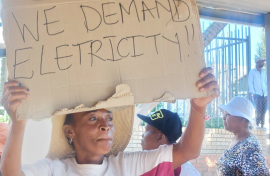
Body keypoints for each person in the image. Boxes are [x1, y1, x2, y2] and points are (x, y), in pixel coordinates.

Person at [0, 67, 219, 176]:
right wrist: (18, 122)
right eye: (92, 118)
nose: (105, 125)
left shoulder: (126, 166)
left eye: (109, 118)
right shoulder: (55, 170)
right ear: (70, 131)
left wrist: (198, 106)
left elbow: (188, 151)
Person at [216, 96, 269, 176]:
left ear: (242, 119)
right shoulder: (238, 140)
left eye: (228, 114)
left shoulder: (250, 146)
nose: (223, 117)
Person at [138, 109, 201, 176]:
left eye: (146, 131)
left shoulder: (185, 171)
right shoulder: (148, 162)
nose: (142, 135)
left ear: (160, 137)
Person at [248, 57, 268, 130]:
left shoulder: (263, 71)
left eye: (263, 62)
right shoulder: (252, 72)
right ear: (257, 62)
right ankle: (257, 124)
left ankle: (262, 125)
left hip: (264, 94)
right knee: (258, 109)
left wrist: (267, 92)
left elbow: (265, 82)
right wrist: (253, 93)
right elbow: (250, 82)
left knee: (264, 110)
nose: (263, 63)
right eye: (262, 62)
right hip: (257, 93)